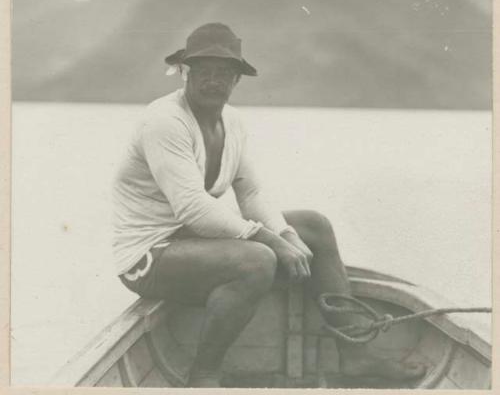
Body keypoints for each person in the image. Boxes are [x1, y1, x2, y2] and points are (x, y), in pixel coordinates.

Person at [112, 22, 426, 387]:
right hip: (148, 256)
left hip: (196, 241)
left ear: (237, 80)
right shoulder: (164, 121)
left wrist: (287, 234)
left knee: (312, 226)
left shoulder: (232, 122)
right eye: (203, 71)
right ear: (185, 73)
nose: (213, 81)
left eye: (224, 73)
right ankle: (204, 375)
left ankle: (355, 355)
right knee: (257, 259)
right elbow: (193, 208)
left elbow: (250, 195)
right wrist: (272, 242)